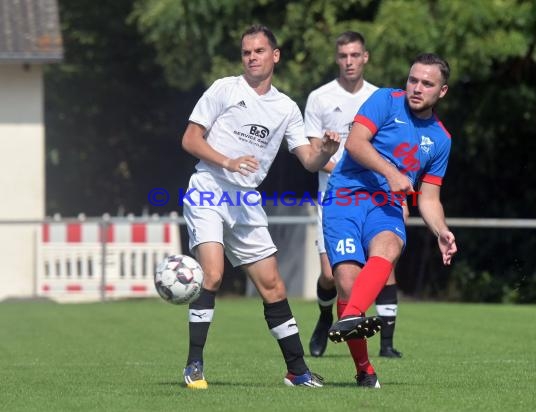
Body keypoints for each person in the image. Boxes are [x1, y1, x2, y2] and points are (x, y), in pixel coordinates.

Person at [180, 24, 340, 389]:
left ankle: (297, 372)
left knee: (274, 287)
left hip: (245, 200)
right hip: (209, 188)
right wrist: (228, 161)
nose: (252, 57)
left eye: (259, 51)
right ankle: (194, 366)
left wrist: (326, 152)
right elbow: (190, 139)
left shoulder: (286, 108)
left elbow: (309, 161)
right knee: (213, 275)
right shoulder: (224, 88)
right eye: (246, 52)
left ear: (275, 56)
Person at [323, 52, 458, 388]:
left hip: (386, 205)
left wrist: (440, 230)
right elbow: (355, 143)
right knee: (348, 282)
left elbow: (428, 198)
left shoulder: (441, 139)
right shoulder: (385, 99)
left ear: (441, 91)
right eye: (413, 80)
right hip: (346, 197)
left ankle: (350, 315)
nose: (417, 88)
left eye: (427, 84)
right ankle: (365, 369)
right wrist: (391, 172)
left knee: (390, 245)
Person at [304, 31, 405, 359]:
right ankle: (324, 318)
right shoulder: (319, 98)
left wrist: (399, 196)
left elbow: (390, 153)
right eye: (344, 56)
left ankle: (387, 344)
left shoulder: (382, 98)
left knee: (384, 264)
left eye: (355, 55)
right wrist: (349, 167)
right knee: (330, 275)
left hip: (376, 197)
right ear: (337, 58)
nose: (349, 61)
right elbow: (314, 152)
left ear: (366, 58)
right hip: (335, 197)